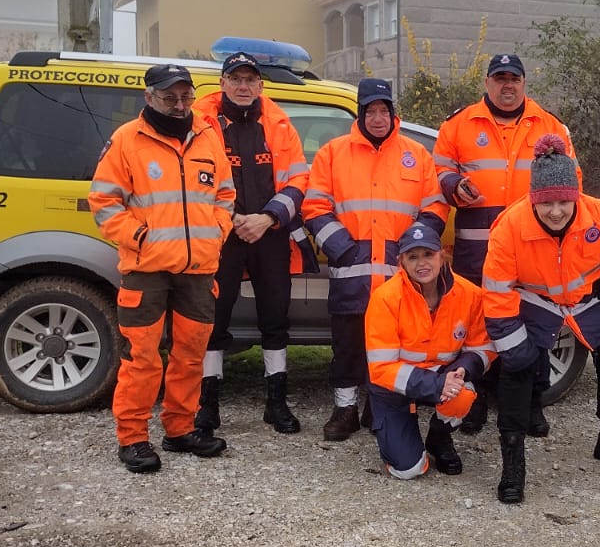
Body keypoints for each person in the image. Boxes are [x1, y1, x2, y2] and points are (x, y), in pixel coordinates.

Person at [483, 135, 600, 504]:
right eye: (547, 203)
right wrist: (515, 347)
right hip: (536, 302)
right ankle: (513, 467)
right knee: (517, 373)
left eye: (563, 201)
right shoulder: (508, 227)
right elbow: (497, 293)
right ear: (533, 199)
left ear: (575, 196)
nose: (556, 212)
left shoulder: (597, 212)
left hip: (590, 299)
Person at [89, 63, 235, 474]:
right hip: (146, 270)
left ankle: (179, 429)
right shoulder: (126, 140)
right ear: (149, 97)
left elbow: (225, 193)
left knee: (190, 355)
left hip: (198, 269)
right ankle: (133, 438)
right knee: (143, 358)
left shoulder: (208, 136)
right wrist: (140, 238)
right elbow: (103, 203)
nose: (179, 104)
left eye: (185, 97)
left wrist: (216, 232)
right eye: (169, 97)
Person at [432, 53, 574, 435]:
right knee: (478, 324)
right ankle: (475, 400)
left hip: (534, 246)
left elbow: (569, 183)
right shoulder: (459, 124)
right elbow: (438, 170)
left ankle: (532, 403)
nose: (507, 86)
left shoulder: (551, 127)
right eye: (500, 79)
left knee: (536, 322)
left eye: (514, 79)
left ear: (524, 83)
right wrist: (452, 184)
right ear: (488, 83)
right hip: (476, 248)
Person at [302, 78, 446, 441]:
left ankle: (377, 405)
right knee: (348, 344)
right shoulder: (333, 153)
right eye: (371, 110)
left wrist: (411, 251)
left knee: (395, 345)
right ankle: (345, 408)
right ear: (361, 113)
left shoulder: (416, 153)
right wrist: (343, 248)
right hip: (353, 270)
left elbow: (434, 207)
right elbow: (315, 207)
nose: (378, 117)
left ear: (393, 113)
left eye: (384, 110)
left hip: (400, 275)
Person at [190, 52, 311, 437]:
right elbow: (192, 180)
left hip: (269, 233)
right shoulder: (199, 122)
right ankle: (207, 405)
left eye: (250, 80)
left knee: (276, 318)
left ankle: (276, 402)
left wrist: (268, 217)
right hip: (219, 235)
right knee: (214, 318)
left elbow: (297, 180)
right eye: (236, 79)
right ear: (222, 83)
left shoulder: (278, 123)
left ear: (260, 85)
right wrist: (232, 220)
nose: (243, 87)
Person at [364, 221, 495, 478]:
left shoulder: (470, 294)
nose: (421, 263)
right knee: (409, 469)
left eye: (428, 254)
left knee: (463, 393)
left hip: (442, 375)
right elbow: (381, 369)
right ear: (401, 261)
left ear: (443, 254)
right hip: (394, 387)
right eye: (412, 257)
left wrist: (461, 372)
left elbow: (484, 348)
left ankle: (439, 438)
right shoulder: (385, 298)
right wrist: (437, 385)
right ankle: (397, 426)